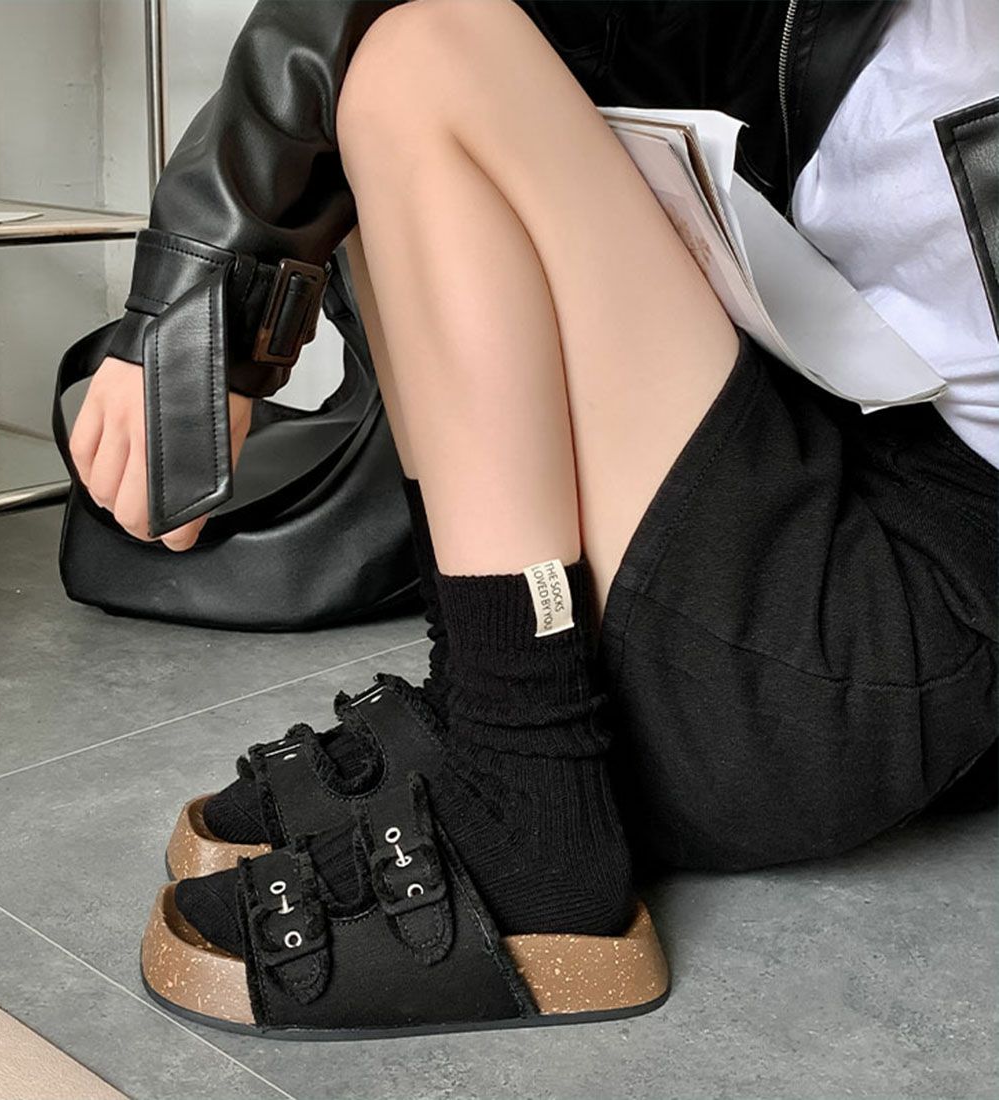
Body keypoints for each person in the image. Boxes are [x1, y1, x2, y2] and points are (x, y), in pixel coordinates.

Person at [68, 0, 997, 1034]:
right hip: (823, 501)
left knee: (432, 58)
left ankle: (531, 810)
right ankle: (491, 692)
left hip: (866, 657)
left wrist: (200, 291)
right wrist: (215, 294)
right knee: (393, 71)